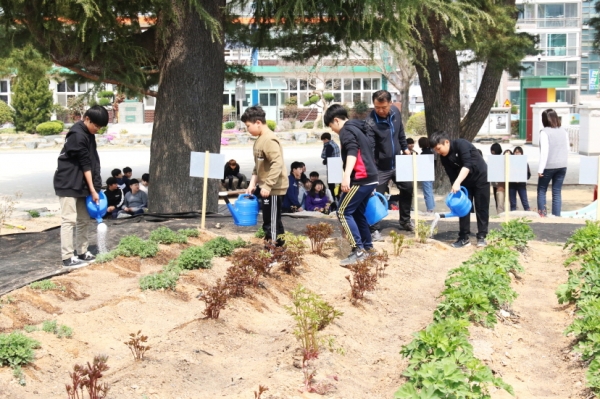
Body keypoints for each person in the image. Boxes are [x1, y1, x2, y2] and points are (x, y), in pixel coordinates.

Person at [53, 105, 109, 267]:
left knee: (83, 219)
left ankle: (82, 251)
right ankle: (68, 256)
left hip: (81, 184)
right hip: (68, 182)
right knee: (69, 220)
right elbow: (85, 165)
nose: (97, 129)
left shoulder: (88, 133)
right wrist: (93, 190)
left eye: (100, 127)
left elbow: (92, 162)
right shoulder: (77, 135)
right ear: (87, 119)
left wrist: (94, 187)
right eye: (96, 125)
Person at [324, 104, 378, 266]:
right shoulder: (358, 128)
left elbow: (353, 152)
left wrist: (346, 176)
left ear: (336, 120)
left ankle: (358, 250)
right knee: (356, 213)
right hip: (370, 177)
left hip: (360, 178)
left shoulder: (347, 130)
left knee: (342, 211)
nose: (332, 130)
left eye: (331, 126)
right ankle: (368, 248)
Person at [365, 90, 413, 242]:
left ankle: (405, 220)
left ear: (390, 103)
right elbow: (370, 149)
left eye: (383, 107)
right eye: (377, 107)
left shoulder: (396, 113)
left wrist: (405, 149)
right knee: (375, 196)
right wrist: (371, 171)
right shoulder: (370, 122)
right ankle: (373, 229)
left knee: (408, 188)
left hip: (398, 162)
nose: (380, 110)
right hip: (380, 167)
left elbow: (401, 133)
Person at [430, 131, 490, 248]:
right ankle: (463, 237)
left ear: (446, 142)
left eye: (438, 148)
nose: (437, 152)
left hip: (480, 178)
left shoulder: (461, 144)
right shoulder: (444, 158)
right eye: (435, 150)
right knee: (462, 208)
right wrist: (455, 190)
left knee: (481, 207)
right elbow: (452, 176)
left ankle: (482, 236)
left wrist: (457, 182)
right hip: (464, 182)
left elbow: (467, 165)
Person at [243, 106, 288, 246]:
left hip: (274, 188)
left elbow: (277, 163)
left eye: (248, 126)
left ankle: (273, 250)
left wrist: (268, 185)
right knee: (271, 220)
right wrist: (252, 183)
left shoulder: (269, 140)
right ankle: (279, 248)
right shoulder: (260, 139)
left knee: (271, 222)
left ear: (258, 122)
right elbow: (258, 165)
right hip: (266, 188)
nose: (247, 129)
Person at [538, 109, 569, 217]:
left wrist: (540, 169)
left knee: (542, 190)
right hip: (562, 165)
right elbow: (567, 148)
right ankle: (556, 215)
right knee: (557, 191)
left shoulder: (544, 132)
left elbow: (544, 152)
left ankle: (542, 215)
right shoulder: (563, 131)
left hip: (548, 166)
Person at [509, 146, 531, 211]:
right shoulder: (510, 162)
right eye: (515, 152)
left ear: (521, 153)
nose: (517, 154)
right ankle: (512, 216)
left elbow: (528, 175)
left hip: (521, 185)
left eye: (518, 152)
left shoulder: (525, 163)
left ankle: (528, 214)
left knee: (525, 202)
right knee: (513, 203)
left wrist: (522, 178)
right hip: (512, 185)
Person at [321, 132, 341, 200]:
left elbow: (328, 157)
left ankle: (333, 196)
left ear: (326, 139)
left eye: (323, 140)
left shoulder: (329, 146)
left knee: (331, 183)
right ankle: (338, 195)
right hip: (337, 164)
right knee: (337, 182)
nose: (323, 142)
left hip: (331, 165)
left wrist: (324, 161)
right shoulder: (334, 144)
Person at [418, 136, 436, 212]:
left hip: (425, 174)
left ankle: (430, 209)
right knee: (430, 191)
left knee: (427, 192)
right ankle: (432, 206)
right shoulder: (431, 152)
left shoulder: (423, 154)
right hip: (431, 173)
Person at [490, 143, 504, 214]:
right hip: (495, 183)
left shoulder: (502, 158)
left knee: (501, 198)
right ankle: (499, 212)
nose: (493, 154)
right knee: (496, 199)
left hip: (501, 182)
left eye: (494, 152)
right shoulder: (492, 159)